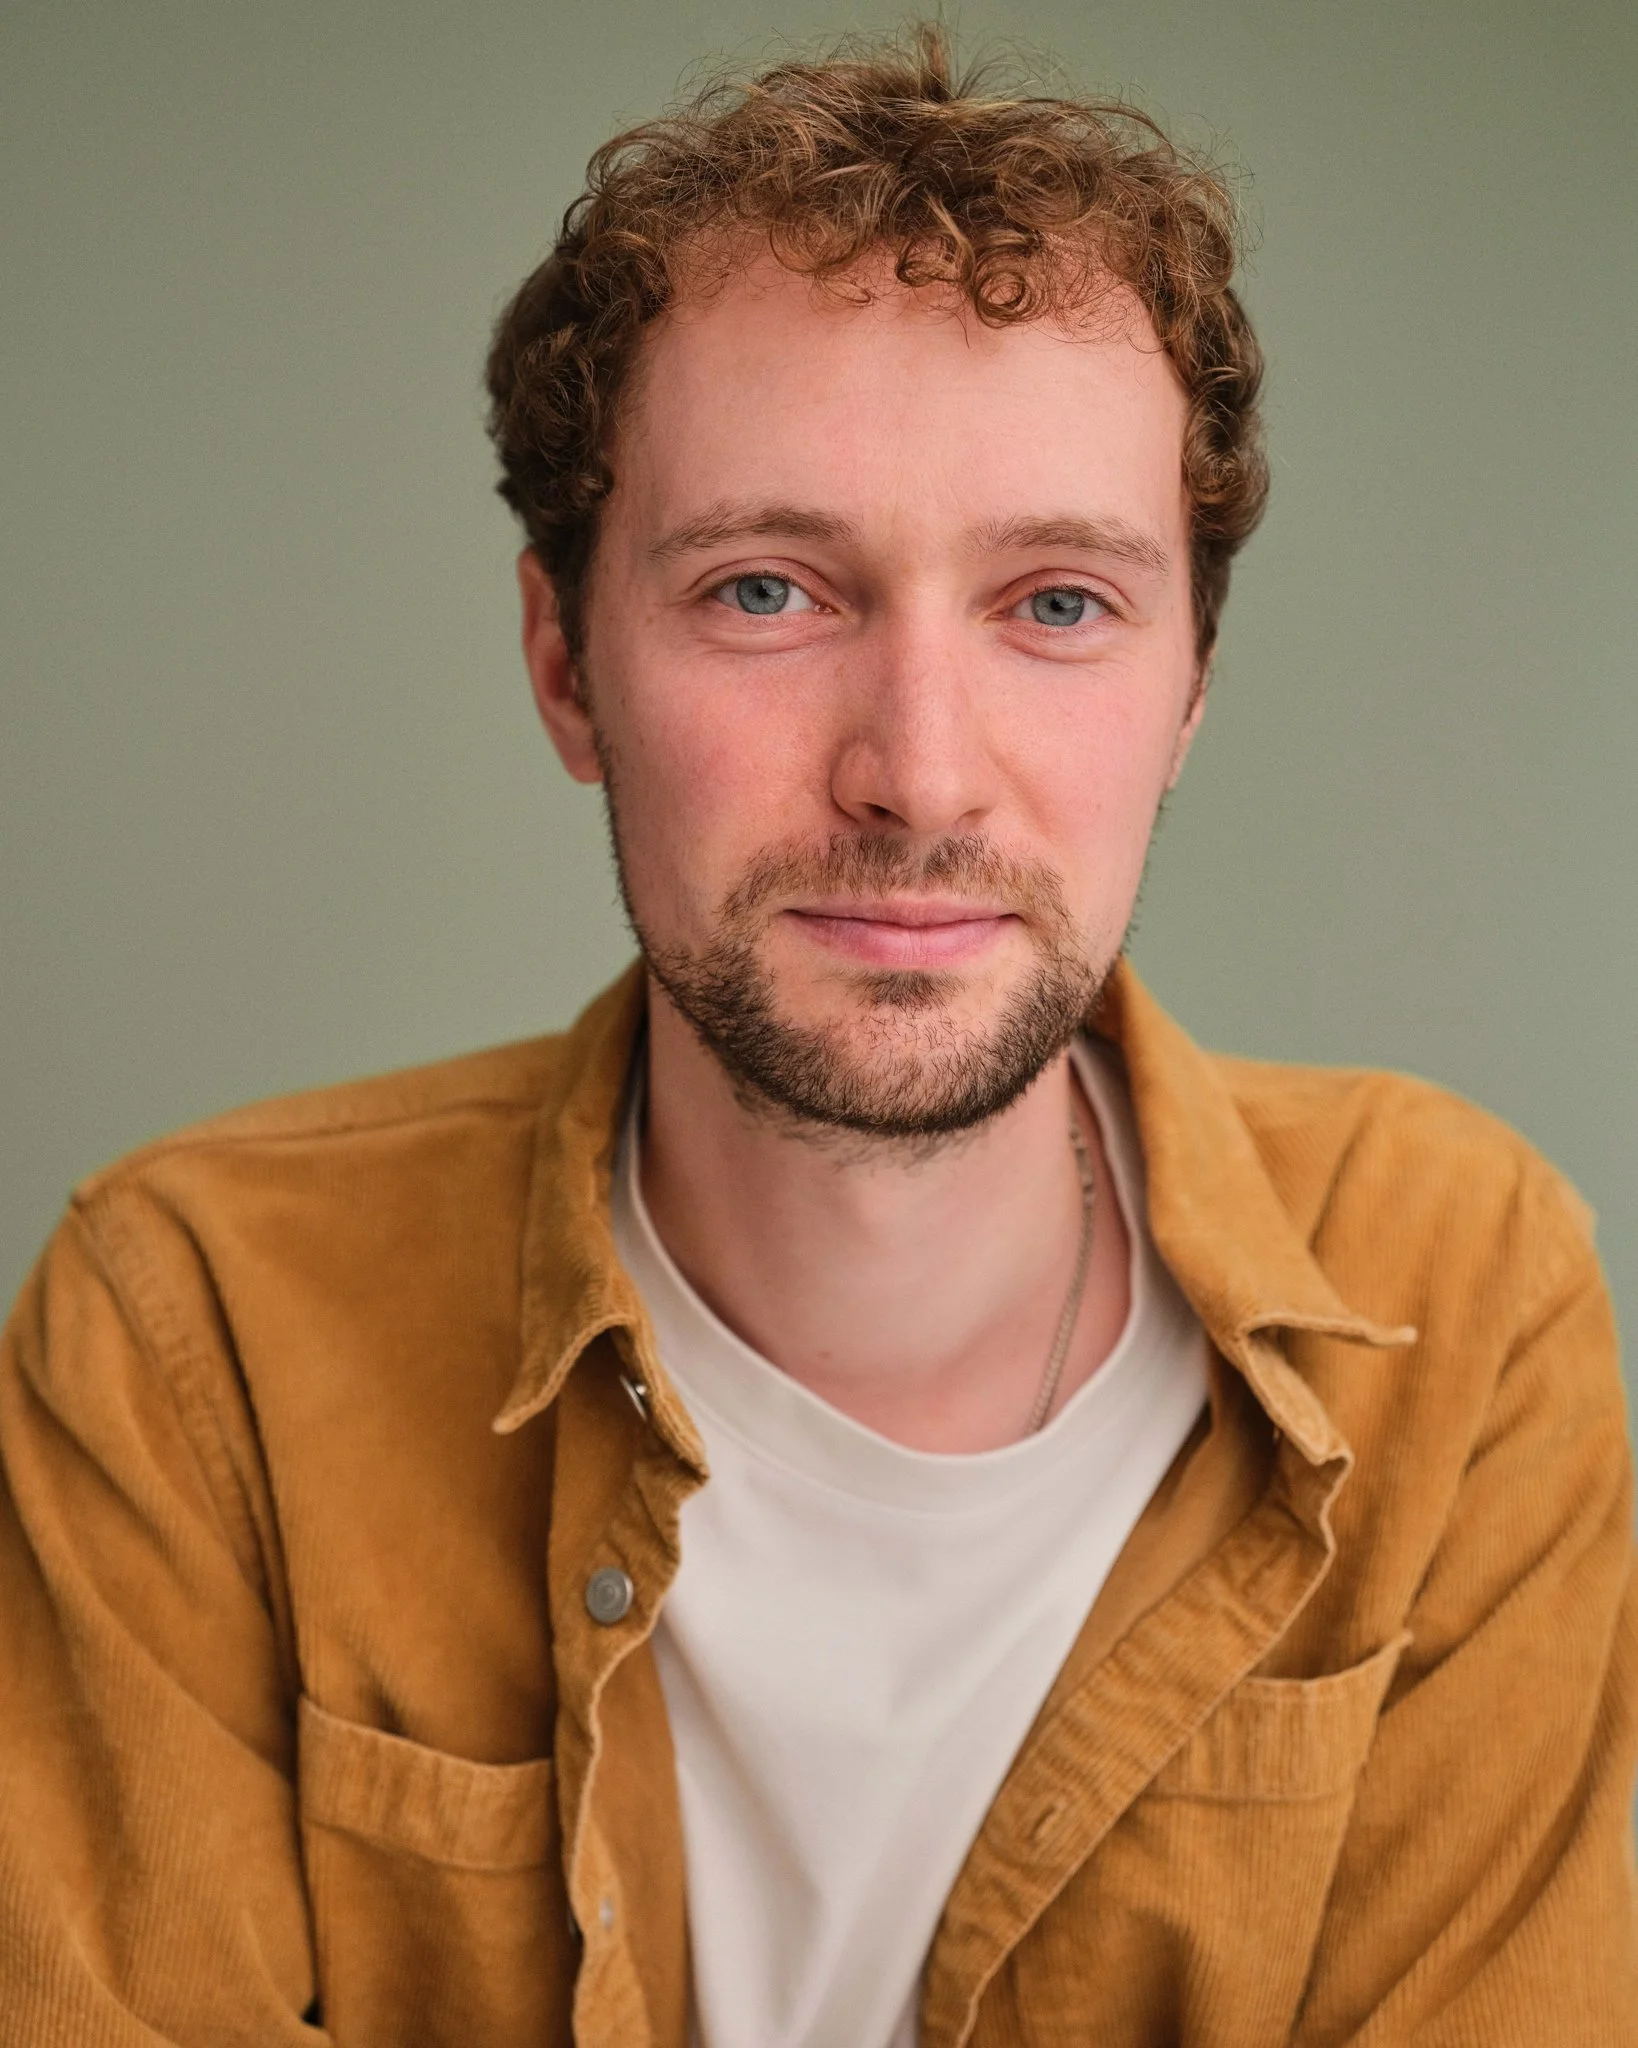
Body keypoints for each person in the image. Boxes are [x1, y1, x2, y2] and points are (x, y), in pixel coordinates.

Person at [2, 26, 1634, 2047]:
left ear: (1190, 685)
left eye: (1055, 606)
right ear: (566, 665)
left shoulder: (1461, 1303)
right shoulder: (199, 1337)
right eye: (769, 590)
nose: (918, 773)